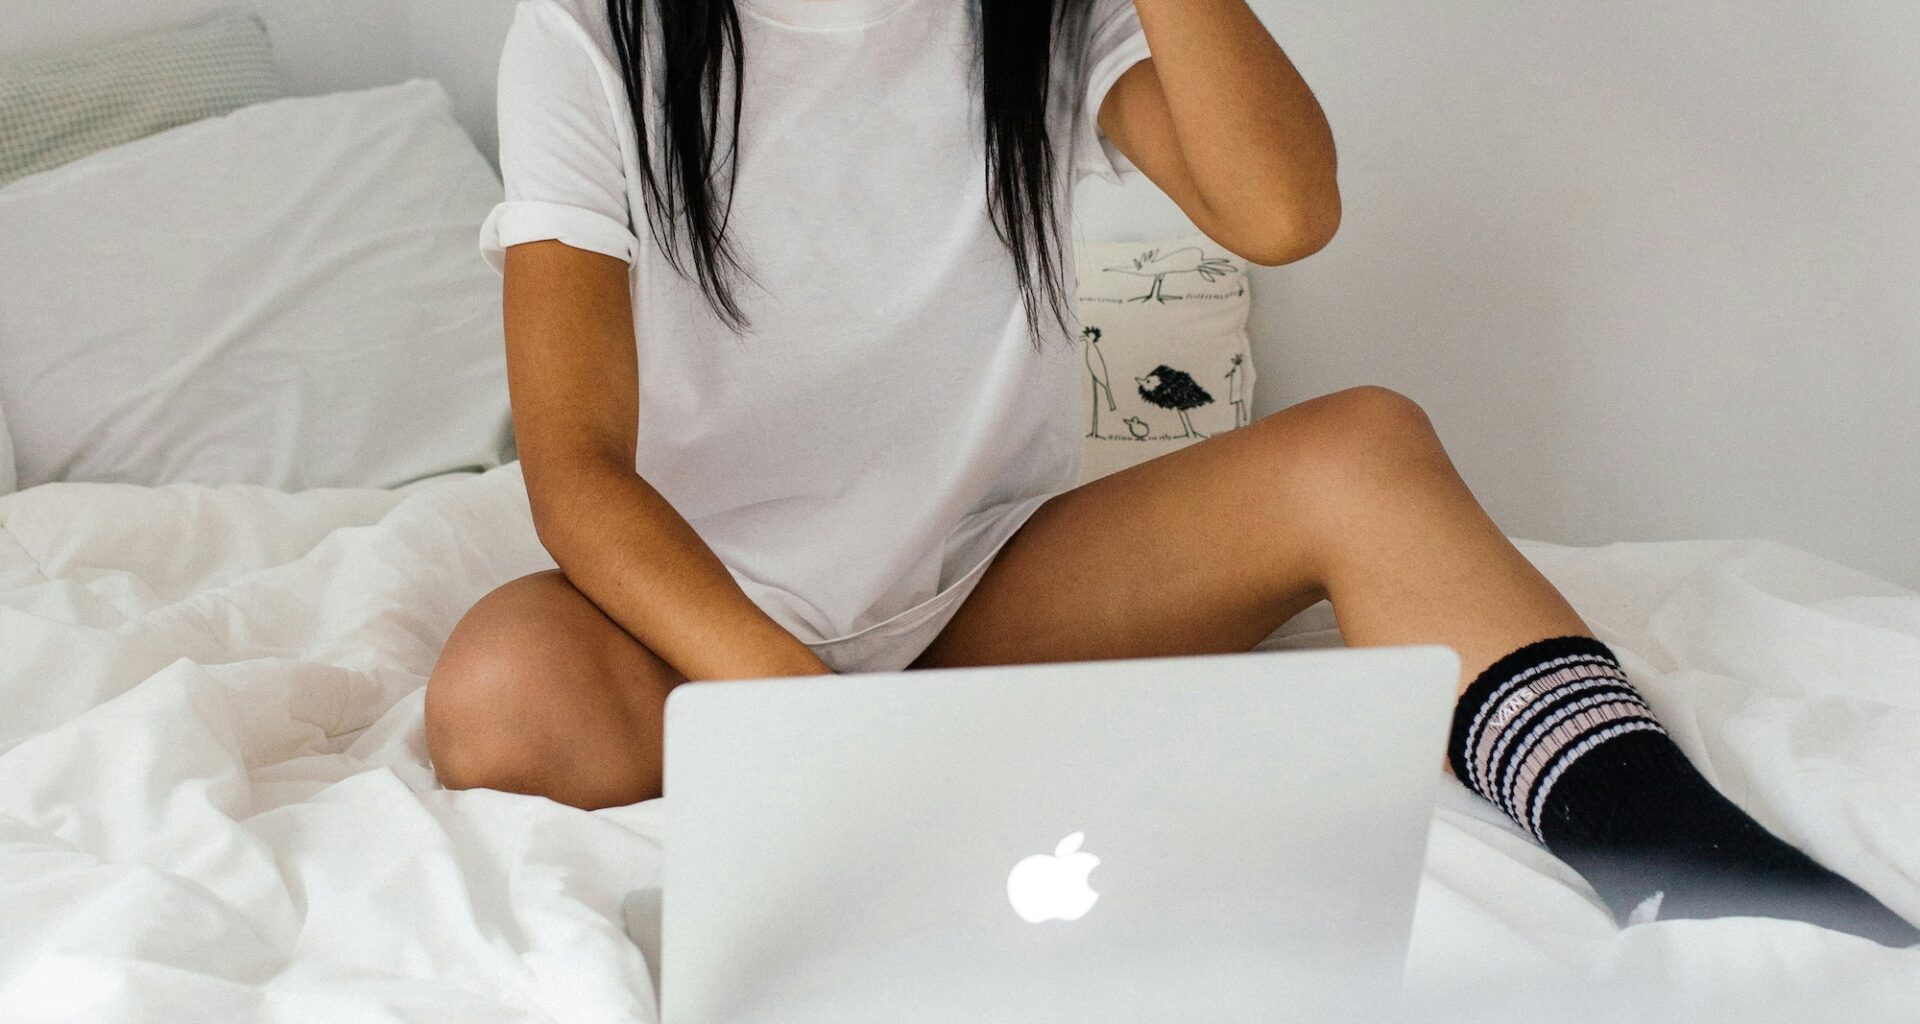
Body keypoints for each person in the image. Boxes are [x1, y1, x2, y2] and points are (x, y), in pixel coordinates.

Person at [424, 0, 1916, 947]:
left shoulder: (1035, 18)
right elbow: (576, 470)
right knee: (496, 696)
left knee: (1362, 447)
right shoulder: (591, 38)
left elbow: (1281, 210)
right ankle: (879, 736)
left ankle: (1677, 855)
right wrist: (813, 721)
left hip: (982, 594)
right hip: (703, 618)